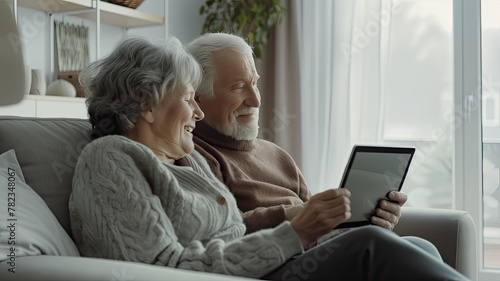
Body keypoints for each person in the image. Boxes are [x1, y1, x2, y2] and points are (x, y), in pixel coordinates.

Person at [68, 35, 468, 280]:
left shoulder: (190, 162)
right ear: (147, 104)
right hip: (257, 272)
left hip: (265, 267)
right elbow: (163, 266)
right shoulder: (110, 158)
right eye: (189, 99)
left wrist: (334, 222)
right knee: (371, 246)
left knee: (415, 246)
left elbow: (236, 237)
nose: (199, 113)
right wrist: (293, 231)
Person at [187, 33, 407, 235]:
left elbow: (321, 228)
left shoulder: (277, 155)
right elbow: (217, 229)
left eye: (254, 83)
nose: (255, 100)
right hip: (282, 263)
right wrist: (292, 215)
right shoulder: (195, 155)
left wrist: (366, 218)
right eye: (238, 87)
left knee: (404, 242)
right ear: (197, 98)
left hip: (321, 252)